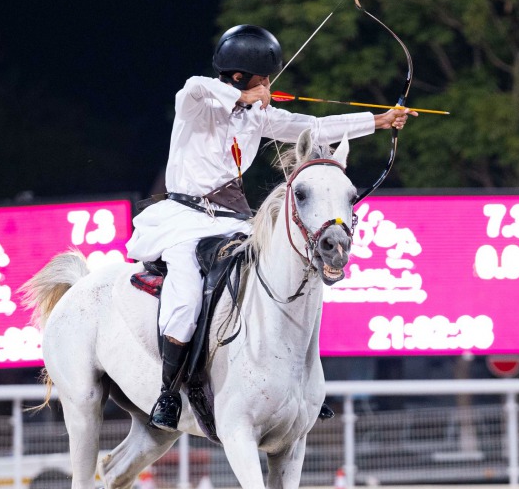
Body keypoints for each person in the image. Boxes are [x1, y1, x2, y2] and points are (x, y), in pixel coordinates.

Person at [126, 24, 414, 431]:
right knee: (187, 297)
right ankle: (169, 391)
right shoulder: (198, 102)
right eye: (264, 77)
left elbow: (313, 126)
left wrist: (380, 121)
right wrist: (242, 96)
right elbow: (193, 87)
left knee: (286, 276)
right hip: (183, 222)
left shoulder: (257, 117)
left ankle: (295, 386)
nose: (270, 84)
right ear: (243, 75)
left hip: (232, 222)